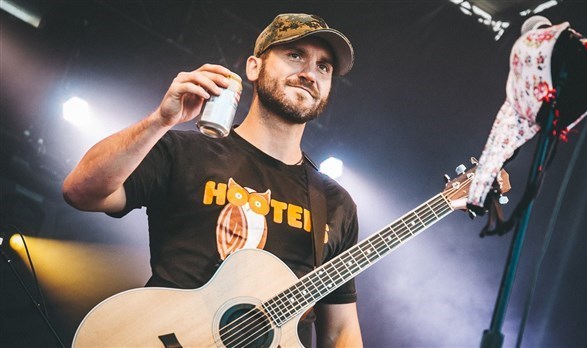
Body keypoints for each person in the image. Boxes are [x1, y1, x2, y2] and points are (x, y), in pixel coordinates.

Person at [62, 13, 363, 347]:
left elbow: (340, 331)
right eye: (295, 55)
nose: (309, 73)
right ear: (253, 67)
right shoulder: (186, 151)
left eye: (324, 67)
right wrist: (160, 121)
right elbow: (80, 191)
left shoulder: (335, 204)